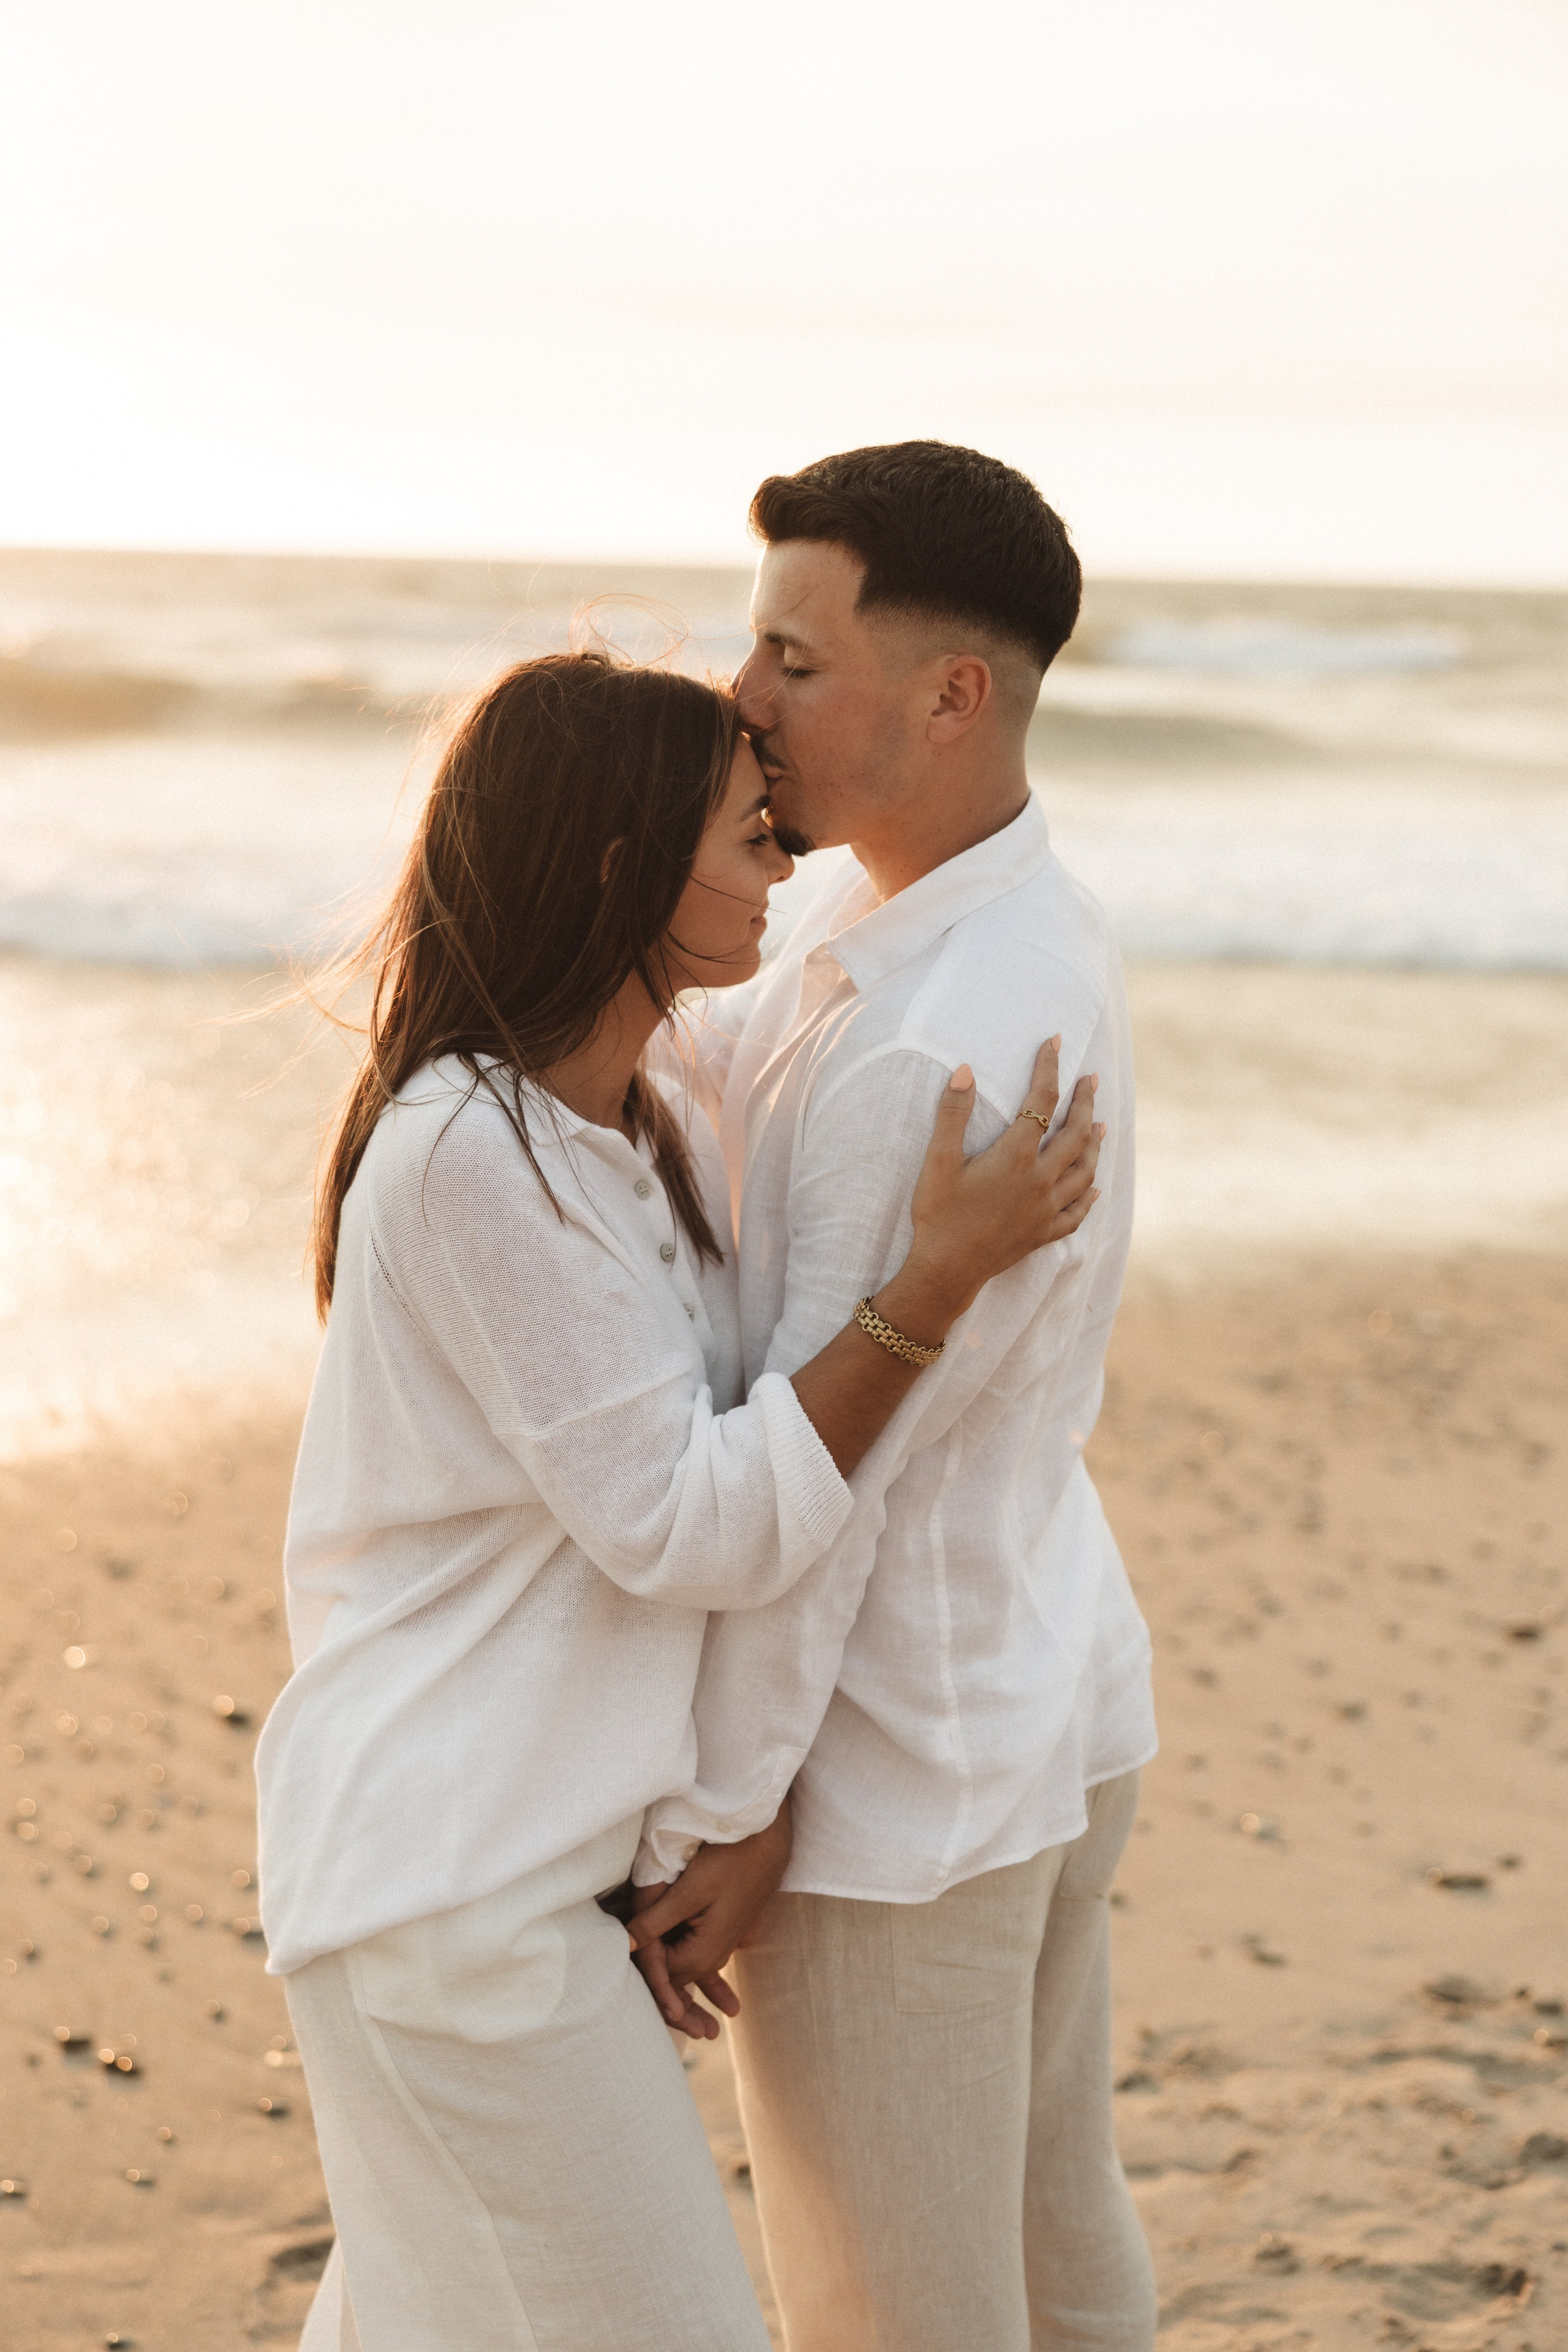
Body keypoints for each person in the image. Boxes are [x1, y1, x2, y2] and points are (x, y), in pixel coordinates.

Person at [253, 646, 1103, 2351]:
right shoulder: (466, 1153)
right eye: (749, 840)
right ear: (614, 866)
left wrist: (715, 1805)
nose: (786, 873)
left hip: (524, 1873)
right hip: (447, 1891)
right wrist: (928, 1288)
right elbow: (694, 1522)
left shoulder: (636, 1122)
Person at [629, 443, 1160, 2350]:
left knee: (896, 2313)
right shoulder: (979, 927)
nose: (738, 698)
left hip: (897, 1772)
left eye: (789, 655)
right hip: (1036, 1679)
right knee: (1043, 2222)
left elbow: (830, 1455)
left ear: (952, 693)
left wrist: (745, 1803)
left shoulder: (928, 1037)